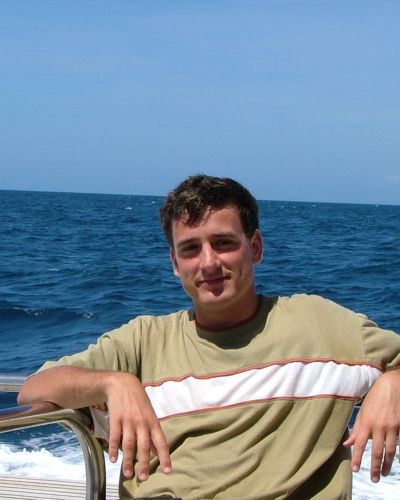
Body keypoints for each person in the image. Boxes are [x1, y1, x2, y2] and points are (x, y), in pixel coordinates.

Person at [18, 174, 400, 499]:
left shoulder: (321, 325)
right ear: (174, 263)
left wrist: (392, 383)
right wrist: (113, 383)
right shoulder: (143, 340)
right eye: (190, 249)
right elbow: (34, 389)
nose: (208, 262)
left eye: (224, 243)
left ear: (255, 247)